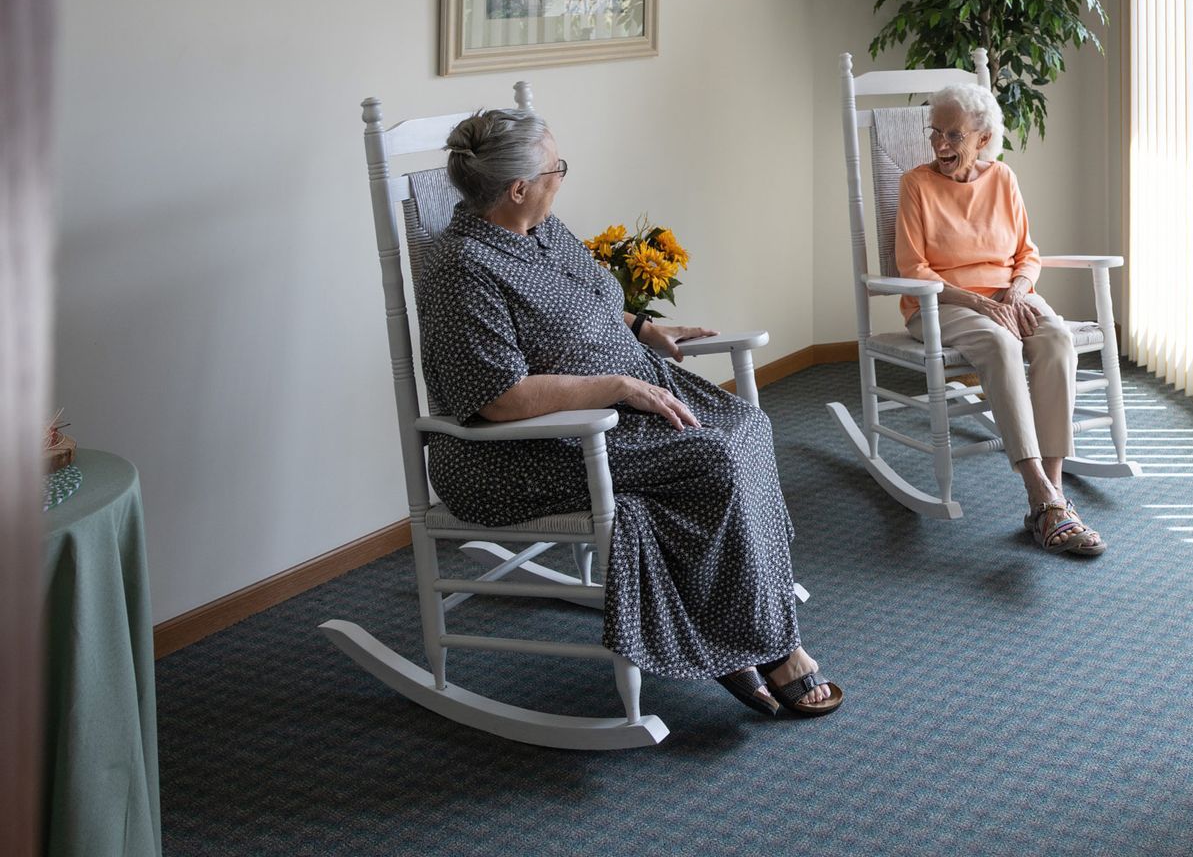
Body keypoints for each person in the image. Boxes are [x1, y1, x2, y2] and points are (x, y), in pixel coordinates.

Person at [415, 107, 843, 717]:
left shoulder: (539, 230)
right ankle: (773, 646)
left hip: (616, 413)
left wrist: (642, 327)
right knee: (713, 460)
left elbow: (587, 304)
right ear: (517, 189)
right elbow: (497, 399)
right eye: (556, 168)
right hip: (520, 452)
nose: (562, 176)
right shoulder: (464, 270)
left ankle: (737, 627)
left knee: (748, 424)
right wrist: (615, 386)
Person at [894, 84, 1107, 556]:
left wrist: (1017, 288)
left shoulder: (1004, 178)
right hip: (942, 303)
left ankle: (1049, 501)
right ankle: (1040, 491)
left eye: (954, 135)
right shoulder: (916, 184)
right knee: (999, 345)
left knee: (1054, 339)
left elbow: (1026, 254)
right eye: (936, 133)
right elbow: (914, 269)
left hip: (1008, 294)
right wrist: (976, 301)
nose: (941, 145)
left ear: (984, 137)